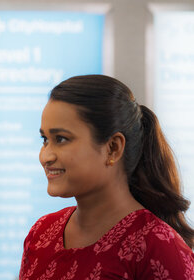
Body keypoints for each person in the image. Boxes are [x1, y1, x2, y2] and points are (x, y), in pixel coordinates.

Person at [20, 74, 194, 279]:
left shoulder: (157, 246)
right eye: (45, 140)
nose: (45, 156)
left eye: (61, 139)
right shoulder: (41, 233)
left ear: (113, 148)